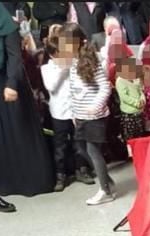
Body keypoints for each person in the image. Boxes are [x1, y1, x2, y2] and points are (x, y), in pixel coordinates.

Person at [0, 3, 54, 203]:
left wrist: (11, 84)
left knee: (18, 131)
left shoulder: (4, 22)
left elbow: (15, 56)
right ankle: (2, 183)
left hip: (7, 84)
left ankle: (30, 180)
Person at [58, 23, 115, 205]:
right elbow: (75, 90)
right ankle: (108, 180)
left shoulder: (91, 60)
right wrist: (76, 113)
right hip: (81, 116)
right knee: (82, 149)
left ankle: (105, 190)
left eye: (67, 42)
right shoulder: (74, 61)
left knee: (92, 150)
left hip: (95, 116)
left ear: (78, 41)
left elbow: (105, 87)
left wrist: (95, 107)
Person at [42, 30, 95, 191]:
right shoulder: (47, 68)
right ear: (52, 55)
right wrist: (62, 69)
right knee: (60, 145)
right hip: (59, 113)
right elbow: (51, 86)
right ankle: (61, 175)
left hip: (76, 110)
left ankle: (82, 170)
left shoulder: (74, 64)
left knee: (79, 142)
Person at [114, 56, 145, 141]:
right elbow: (124, 97)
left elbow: (141, 90)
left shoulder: (136, 78)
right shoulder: (120, 81)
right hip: (129, 114)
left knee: (140, 136)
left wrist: (143, 100)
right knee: (130, 138)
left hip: (139, 112)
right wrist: (136, 103)